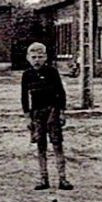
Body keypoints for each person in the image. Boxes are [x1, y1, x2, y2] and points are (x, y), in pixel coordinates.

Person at [21, 42, 71, 190]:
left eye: (40, 57)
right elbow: (24, 97)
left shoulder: (52, 72)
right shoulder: (27, 75)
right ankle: (43, 179)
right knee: (40, 146)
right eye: (34, 57)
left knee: (57, 144)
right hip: (37, 113)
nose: (37, 60)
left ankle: (63, 179)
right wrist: (27, 117)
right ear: (28, 58)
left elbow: (61, 93)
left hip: (52, 111)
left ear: (46, 57)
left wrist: (61, 112)